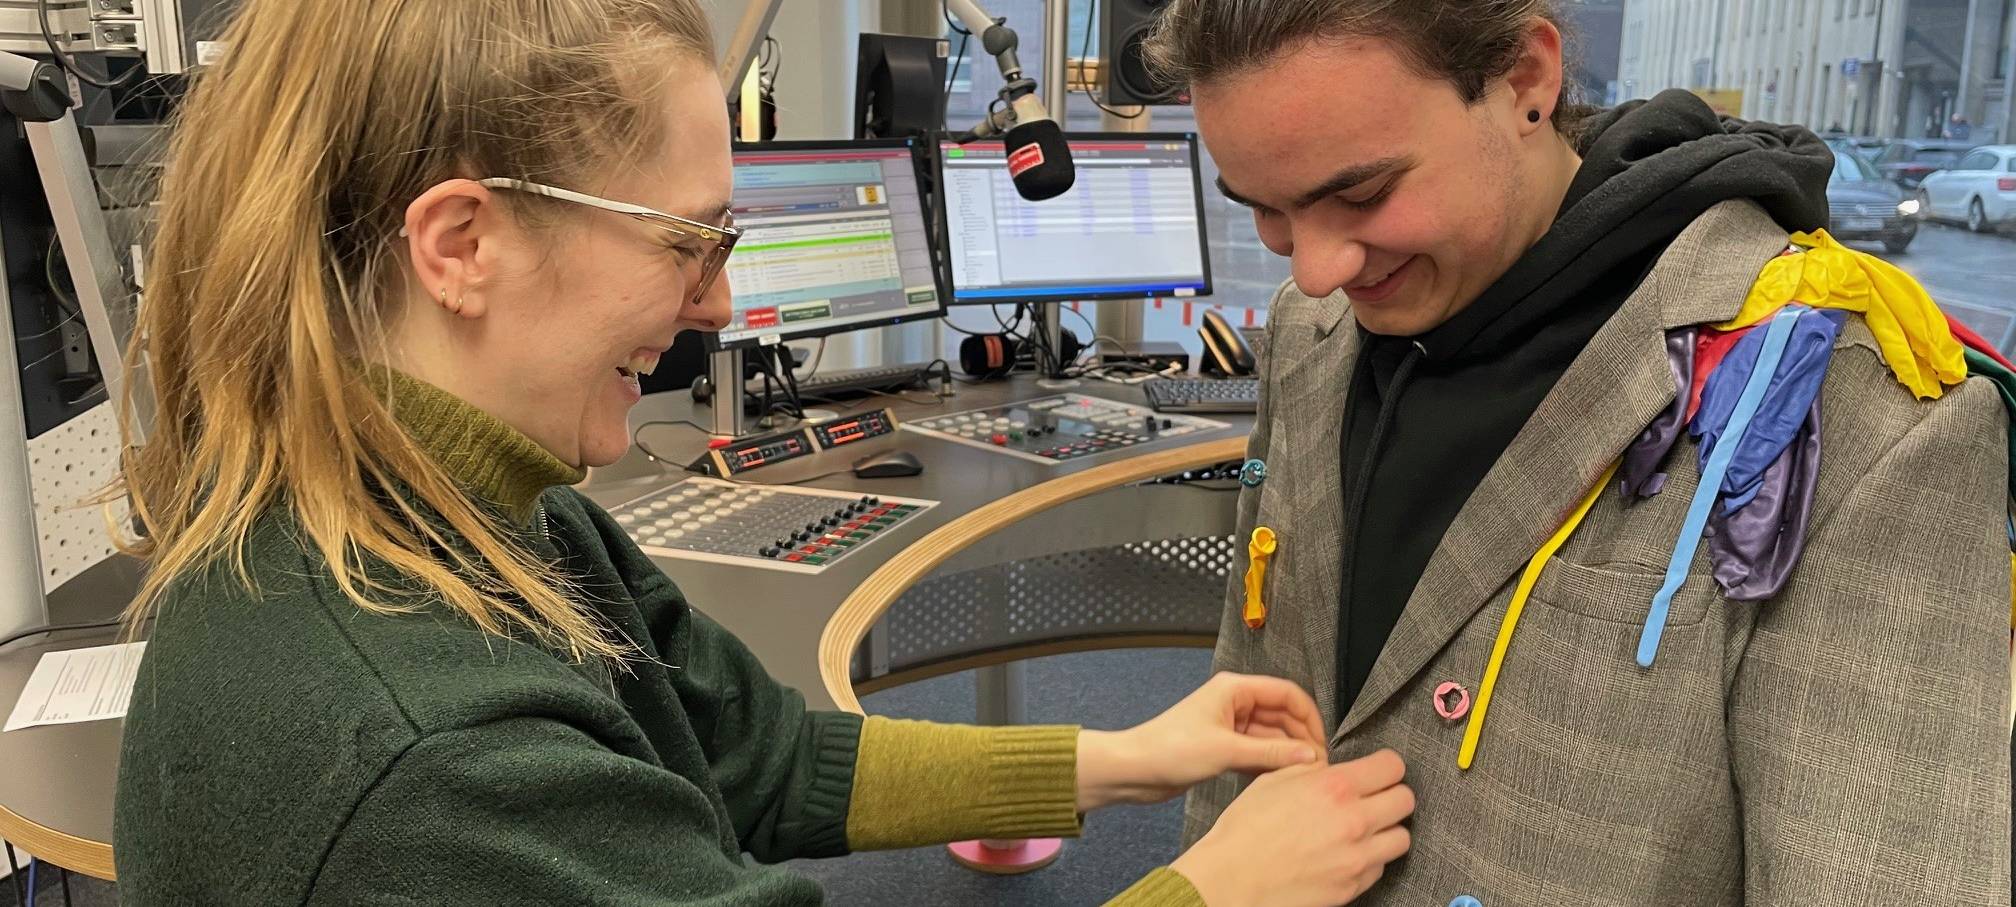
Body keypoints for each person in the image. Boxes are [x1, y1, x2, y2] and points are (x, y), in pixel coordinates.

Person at [106, 1, 1420, 904]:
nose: (723, 305)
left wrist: (1130, 753)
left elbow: (764, 757)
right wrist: (1218, 886)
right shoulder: (428, 755)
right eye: (691, 242)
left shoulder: (493, 525)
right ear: (464, 244)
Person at [1144, 0, 2012, 903]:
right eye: (1265, 209)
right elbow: (1247, 703)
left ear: (1526, 79)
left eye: (1362, 195)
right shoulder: (1311, 328)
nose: (1314, 268)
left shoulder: (1850, 415)